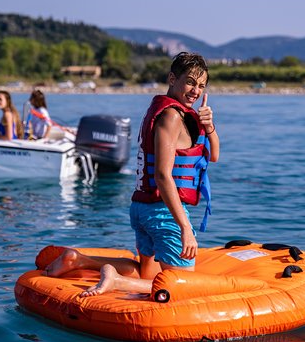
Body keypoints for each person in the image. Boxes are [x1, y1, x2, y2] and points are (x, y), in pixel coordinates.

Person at [45, 52, 220, 297]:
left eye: (201, 85)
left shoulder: (163, 110)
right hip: (163, 212)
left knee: (145, 274)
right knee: (180, 286)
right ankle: (116, 282)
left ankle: (80, 260)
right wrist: (185, 227)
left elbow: (213, 156)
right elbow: (162, 175)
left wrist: (209, 127)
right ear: (172, 78)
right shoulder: (171, 117)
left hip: (142, 208)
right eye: (190, 82)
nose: (195, 91)